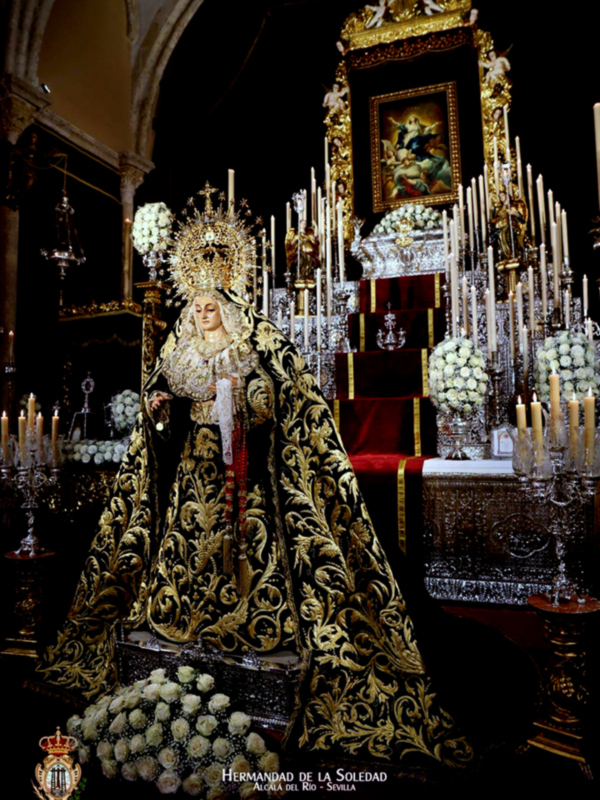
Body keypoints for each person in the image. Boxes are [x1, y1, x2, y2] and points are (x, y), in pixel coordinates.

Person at [38, 187, 473, 768]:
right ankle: (182, 630)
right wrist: (159, 407)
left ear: (227, 297)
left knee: (248, 557)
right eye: (194, 304)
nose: (201, 312)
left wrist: (246, 395)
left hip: (247, 480)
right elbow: (157, 395)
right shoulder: (179, 341)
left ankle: (250, 633)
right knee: (183, 555)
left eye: (209, 304)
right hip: (192, 477)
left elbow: (285, 394)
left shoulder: (259, 335)